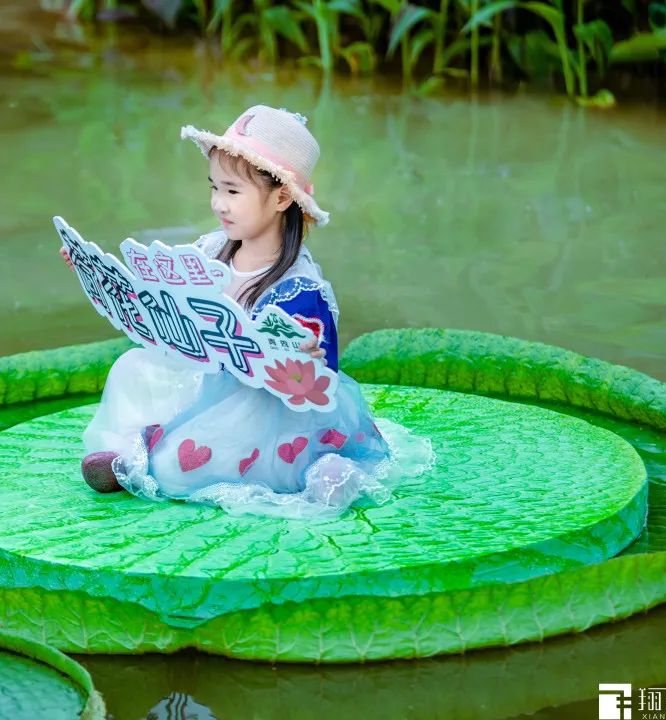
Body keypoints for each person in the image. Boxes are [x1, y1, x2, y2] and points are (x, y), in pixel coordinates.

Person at [60, 104, 432, 518]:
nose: (219, 204)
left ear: (281, 197)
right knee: (133, 366)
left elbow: (319, 377)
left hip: (266, 409)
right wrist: (100, 275)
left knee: (189, 458)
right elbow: (161, 303)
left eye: (233, 191)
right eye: (214, 188)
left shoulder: (298, 288)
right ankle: (135, 447)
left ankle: (317, 466)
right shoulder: (211, 251)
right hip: (207, 378)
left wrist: (306, 356)